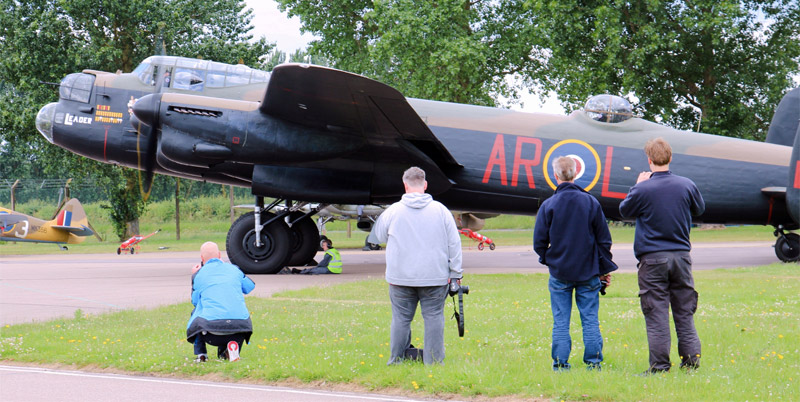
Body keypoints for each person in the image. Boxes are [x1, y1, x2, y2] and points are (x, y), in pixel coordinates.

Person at [619, 137, 705, 374]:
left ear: (649, 160)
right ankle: (691, 362)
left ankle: (659, 366)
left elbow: (624, 211)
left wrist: (636, 185)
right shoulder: (686, 185)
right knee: (684, 312)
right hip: (681, 257)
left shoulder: (642, 188)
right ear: (670, 157)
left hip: (652, 258)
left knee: (656, 313)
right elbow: (700, 209)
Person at [369, 166, 463, 365]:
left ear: (405, 185)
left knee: (401, 318)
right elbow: (454, 243)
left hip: (400, 277)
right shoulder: (441, 211)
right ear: (425, 185)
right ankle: (434, 362)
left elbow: (377, 236)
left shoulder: (392, 211)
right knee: (434, 317)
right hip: (434, 276)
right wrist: (456, 273)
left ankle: (396, 360)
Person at [534, 156, 616, 371]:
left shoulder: (548, 205)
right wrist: (603, 268)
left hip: (560, 272)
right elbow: (604, 240)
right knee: (590, 320)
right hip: (588, 272)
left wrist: (550, 260)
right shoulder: (590, 202)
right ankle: (593, 363)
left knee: (560, 321)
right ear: (575, 174)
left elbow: (539, 243)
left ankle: (560, 364)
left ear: (556, 175)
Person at [187, 241, 255, 362]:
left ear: (202, 258)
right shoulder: (234, 270)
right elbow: (249, 287)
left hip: (210, 332)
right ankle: (229, 350)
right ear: (219, 255)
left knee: (196, 312)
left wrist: (194, 275)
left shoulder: (199, 274)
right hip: (239, 328)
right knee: (231, 313)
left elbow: (195, 301)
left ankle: (201, 354)